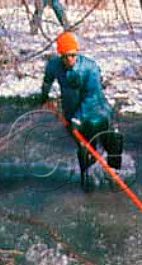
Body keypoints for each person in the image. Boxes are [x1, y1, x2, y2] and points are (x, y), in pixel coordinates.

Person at [41, 32, 123, 187]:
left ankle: (114, 176)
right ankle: (88, 181)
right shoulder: (54, 65)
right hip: (73, 113)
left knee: (113, 145)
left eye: (72, 55)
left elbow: (92, 95)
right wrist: (44, 95)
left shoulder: (89, 68)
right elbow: (47, 79)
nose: (69, 59)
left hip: (98, 114)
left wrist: (77, 118)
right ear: (60, 55)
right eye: (65, 56)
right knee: (85, 149)